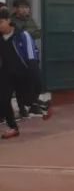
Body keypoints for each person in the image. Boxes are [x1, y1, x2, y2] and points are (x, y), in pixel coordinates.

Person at [0, 9, 42, 139]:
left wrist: (34, 75)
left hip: (24, 72)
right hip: (6, 73)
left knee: (27, 100)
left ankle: (45, 106)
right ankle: (13, 128)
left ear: (8, 20)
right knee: (3, 99)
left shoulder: (22, 35)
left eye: (1, 22)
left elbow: (31, 56)